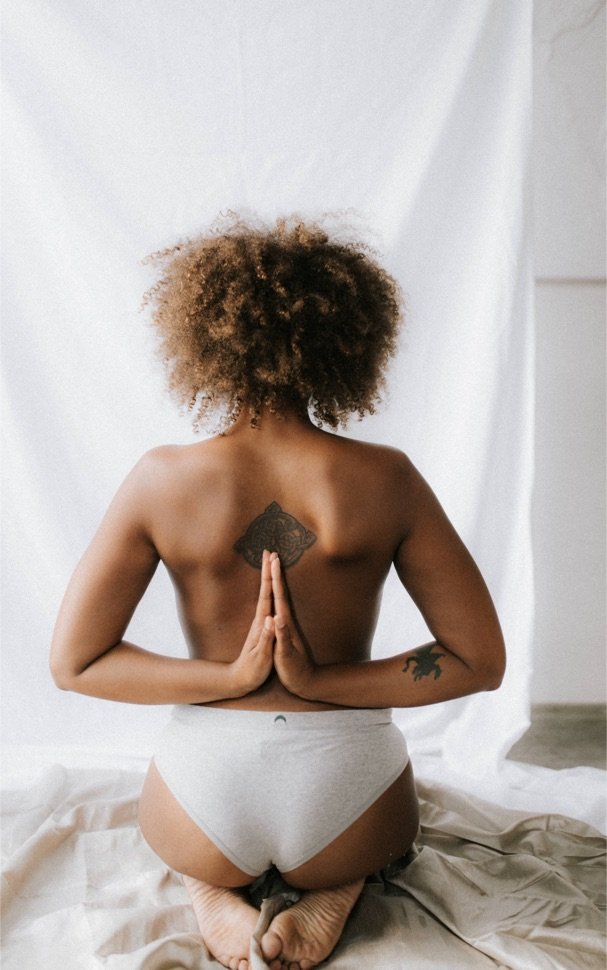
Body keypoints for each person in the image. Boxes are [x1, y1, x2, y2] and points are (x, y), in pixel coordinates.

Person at [50, 214, 506, 970]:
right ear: (350, 340)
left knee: (187, 843)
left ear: (203, 339)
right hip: (347, 796)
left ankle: (209, 890)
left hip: (206, 793)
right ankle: (338, 886)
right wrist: (321, 682)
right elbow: (477, 661)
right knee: (364, 843)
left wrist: (230, 679)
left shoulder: (162, 480)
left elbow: (76, 663)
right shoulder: (384, 478)